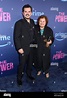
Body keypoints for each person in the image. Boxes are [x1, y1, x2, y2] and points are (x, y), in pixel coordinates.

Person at [13, 4, 35, 86]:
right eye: (25, 11)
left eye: (29, 11)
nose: (27, 13)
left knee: (30, 63)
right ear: (22, 13)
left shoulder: (32, 22)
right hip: (23, 48)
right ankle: (19, 78)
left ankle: (29, 74)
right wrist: (19, 48)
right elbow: (16, 37)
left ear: (31, 13)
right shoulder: (19, 23)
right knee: (22, 64)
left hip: (32, 48)